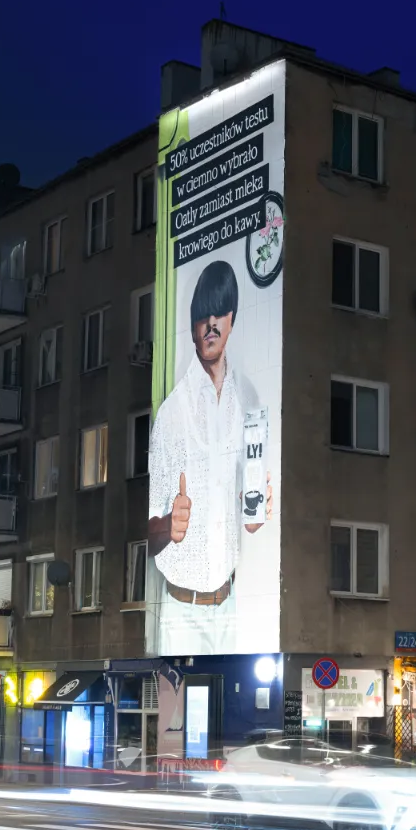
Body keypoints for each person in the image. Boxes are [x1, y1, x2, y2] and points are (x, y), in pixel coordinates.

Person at [148, 260, 272, 654]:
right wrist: (168, 525)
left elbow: (249, 512)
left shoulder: (248, 399)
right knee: (179, 701)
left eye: (219, 313)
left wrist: (255, 512)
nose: (211, 324)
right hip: (182, 611)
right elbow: (148, 535)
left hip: (229, 603)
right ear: (192, 328)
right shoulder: (171, 414)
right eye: (203, 316)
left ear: (232, 319)